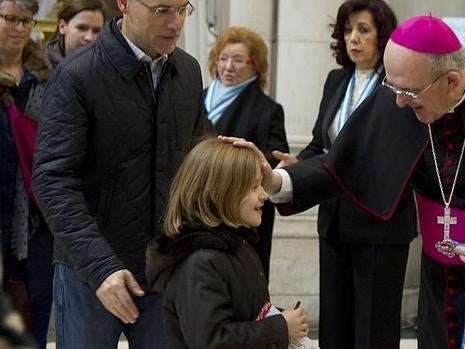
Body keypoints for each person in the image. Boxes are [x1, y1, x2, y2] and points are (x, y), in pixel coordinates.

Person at [222, 15, 465, 349]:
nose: (398, 103)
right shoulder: (400, 95)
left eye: (409, 92)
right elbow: (338, 168)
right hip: (440, 284)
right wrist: (275, 180)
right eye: (393, 88)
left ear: (450, 80)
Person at [32, 0, 213, 348]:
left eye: (182, 9)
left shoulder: (187, 71)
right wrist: (101, 266)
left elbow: (195, 157)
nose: (175, 24)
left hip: (164, 268)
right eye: (161, 10)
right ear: (125, 4)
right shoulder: (77, 76)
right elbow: (52, 179)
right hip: (91, 272)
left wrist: (238, 164)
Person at [272, 1, 409, 348]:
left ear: (383, 35)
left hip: (380, 221)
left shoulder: (396, 85)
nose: (353, 39)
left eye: (363, 30)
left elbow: (389, 154)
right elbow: (321, 145)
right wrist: (298, 165)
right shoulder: (337, 80)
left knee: (373, 329)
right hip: (334, 218)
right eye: (348, 30)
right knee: (335, 325)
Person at [145, 138, 308, 348]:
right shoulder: (198, 263)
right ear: (218, 193)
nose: (264, 194)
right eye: (253, 186)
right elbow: (213, 341)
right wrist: (281, 326)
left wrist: (282, 318)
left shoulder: (238, 246)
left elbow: (245, 310)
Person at [203, 26, 289, 282]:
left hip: (242, 209)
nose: (228, 67)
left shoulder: (268, 109)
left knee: (242, 282)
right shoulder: (197, 98)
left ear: (255, 66)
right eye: (223, 58)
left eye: (238, 60)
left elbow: (273, 157)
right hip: (201, 205)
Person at [0, 0, 54, 347]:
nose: (20, 28)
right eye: (10, 19)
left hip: (36, 217)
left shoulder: (46, 77)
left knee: (33, 308)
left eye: (26, 20)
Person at [45, 0, 105, 68]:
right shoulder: (40, 68)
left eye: (97, 31)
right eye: (82, 28)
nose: (89, 37)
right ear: (62, 27)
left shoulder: (109, 68)